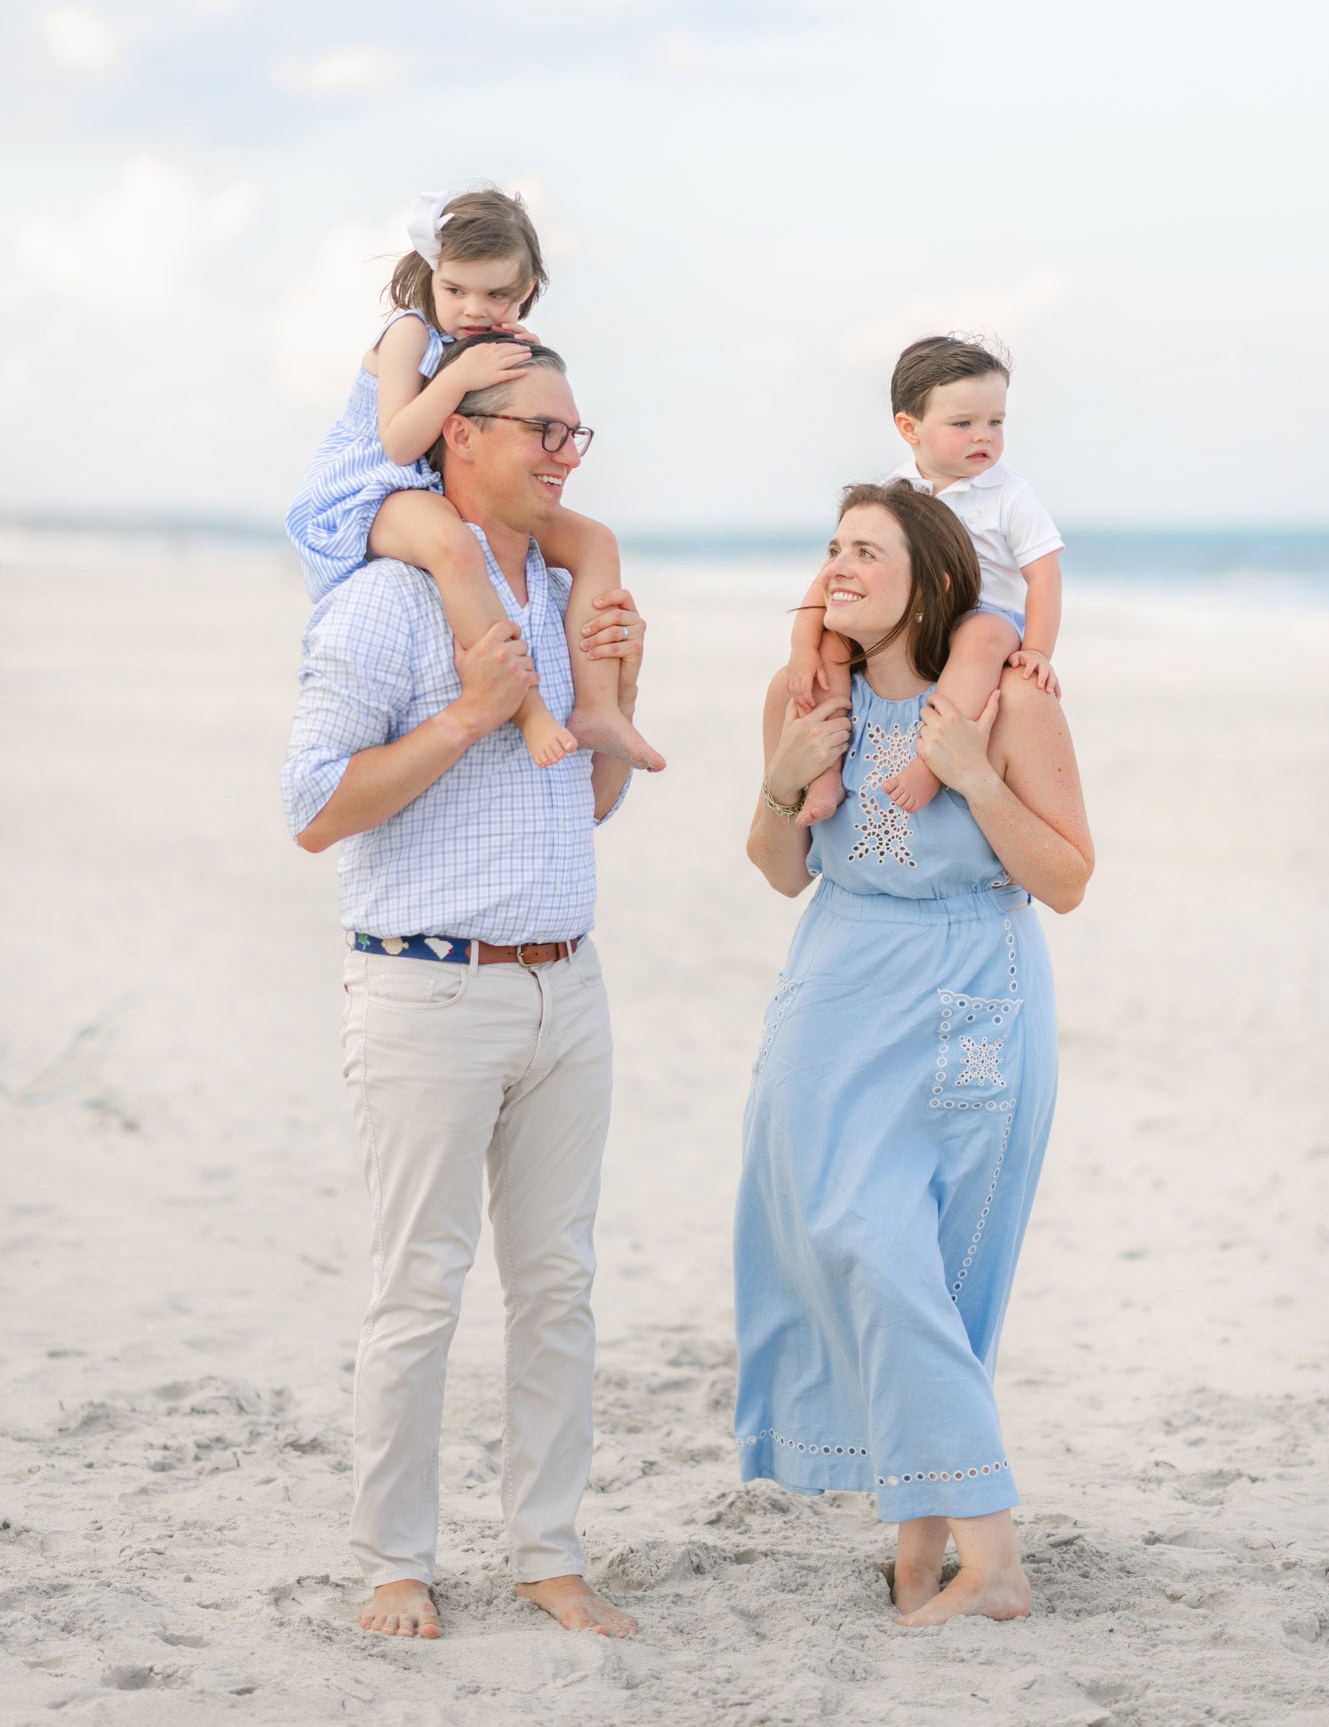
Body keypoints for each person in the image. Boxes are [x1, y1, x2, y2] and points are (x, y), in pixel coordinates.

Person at [282, 339, 643, 1642]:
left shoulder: (555, 597)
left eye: (574, 435)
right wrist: (461, 719)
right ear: (459, 438)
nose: (563, 454)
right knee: (418, 1290)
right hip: (427, 995)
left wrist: (614, 696)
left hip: (566, 990)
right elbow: (311, 809)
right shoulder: (384, 604)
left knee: (557, 1285)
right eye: (542, 429)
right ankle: (394, 1565)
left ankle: (547, 1556)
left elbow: (586, 804)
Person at [734, 480, 1092, 1628]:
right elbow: (784, 868)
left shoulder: (1008, 707)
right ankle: (919, 1554)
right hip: (834, 989)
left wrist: (975, 776)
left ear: (932, 582)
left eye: (868, 551)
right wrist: (787, 772)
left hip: (965, 993)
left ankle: (989, 1566)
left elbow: (1069, 879)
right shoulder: (801, 699)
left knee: (914, 1264)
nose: (839, 567)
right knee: (844, 1243)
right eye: (832, 545)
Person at [285, 184, 663, 774]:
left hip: (421, 485)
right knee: (453, 545)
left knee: (596, 542)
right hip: (364, 491)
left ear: (525, 291)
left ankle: (597, 706)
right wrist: (462, 379)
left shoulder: (485, 341)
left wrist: (507, 365)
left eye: (495, 295)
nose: (471, 309)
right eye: (454, 289)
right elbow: (399, 442)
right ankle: (528, 708)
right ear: (431, 273)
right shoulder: (409, 332)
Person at [788, 336, 1063, 824]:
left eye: (995, 422)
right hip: (913, 618)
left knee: (983, 633)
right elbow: (832, 577)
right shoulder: (895, 495)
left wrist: (1038, 650)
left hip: (985, 619)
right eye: (963, 424)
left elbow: (1043, 577)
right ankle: (825, 774)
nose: (984, 436)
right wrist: (802, 647)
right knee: (835, 637)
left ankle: (931, 766)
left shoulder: (1010, 495)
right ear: (909, 428)